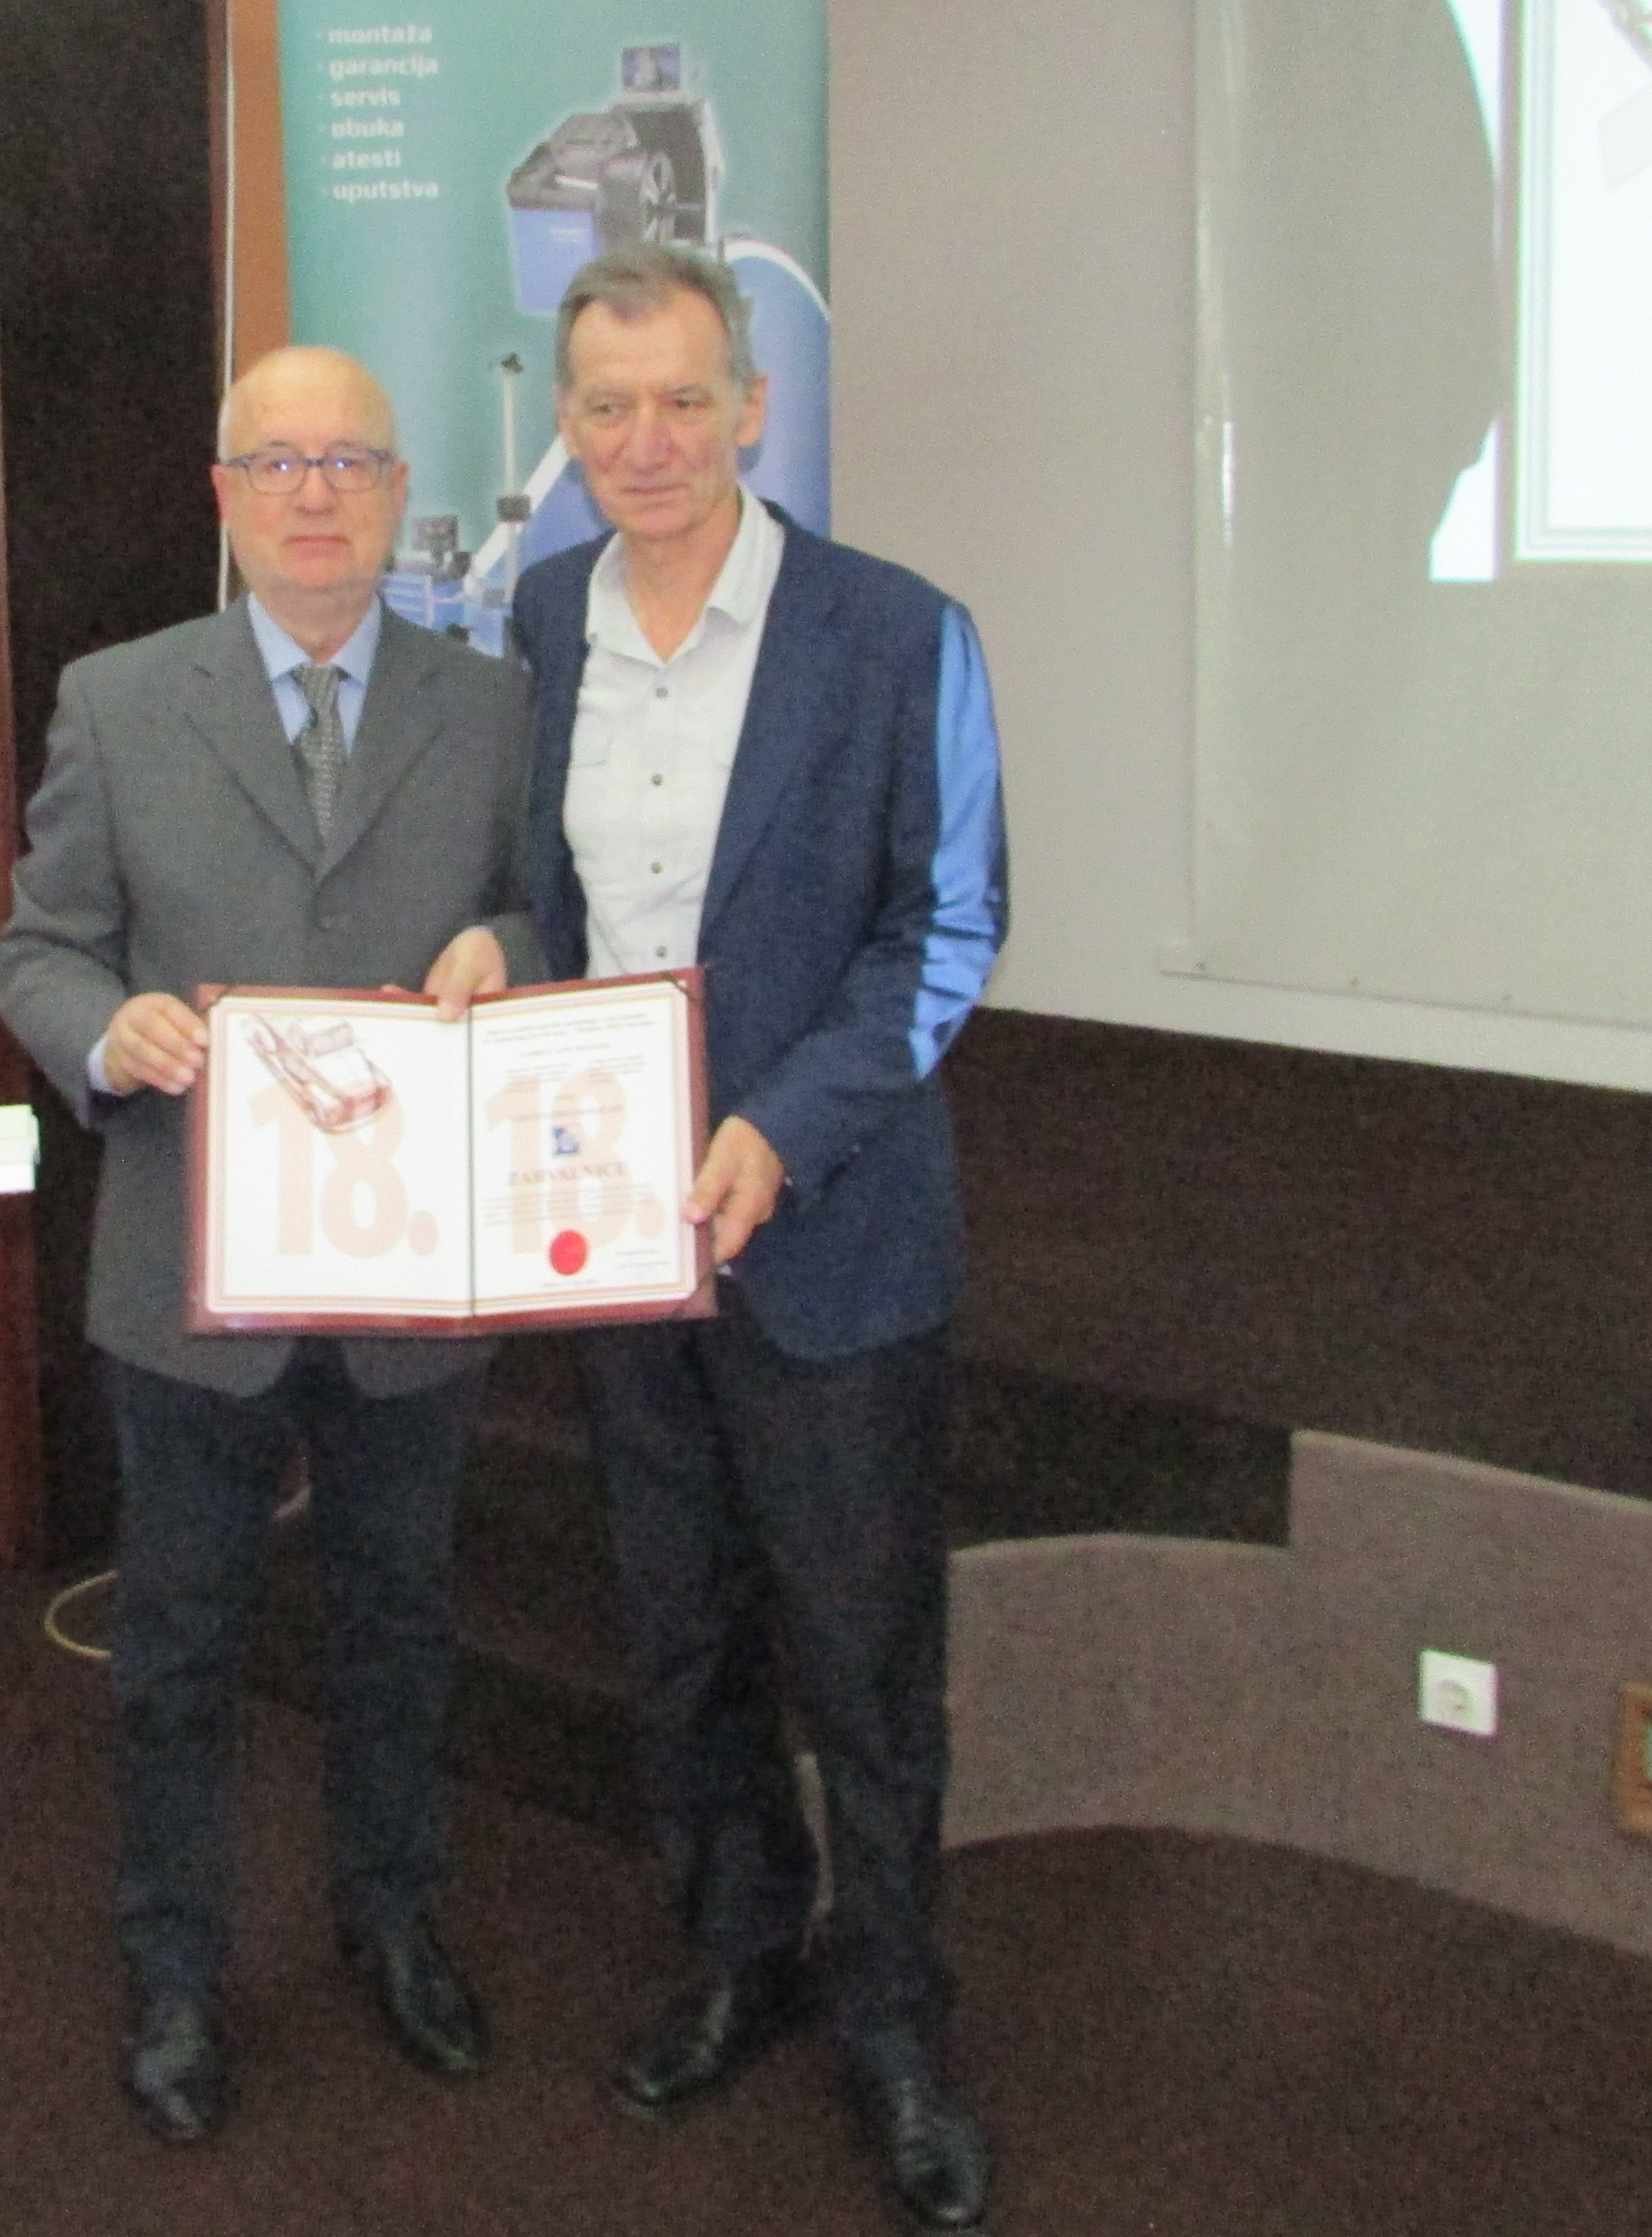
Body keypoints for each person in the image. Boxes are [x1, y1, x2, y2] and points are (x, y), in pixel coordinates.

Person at [512, 242, 1010, 2233]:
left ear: (753, 410)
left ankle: (894, 2020)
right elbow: (538, 897)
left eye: (682, 400)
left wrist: (778, 1134)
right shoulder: (534, 619)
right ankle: (743, 1948)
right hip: (614, 1236)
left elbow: (946, 929)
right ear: (566, 422)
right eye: (606, 405)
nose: (646, 441)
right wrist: (493, 953)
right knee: (683, 1629)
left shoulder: (895, 631)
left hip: (830, 1240)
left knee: (864, 1661)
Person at [0, 346, 537, 2147]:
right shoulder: (118, 699)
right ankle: (174, 1972)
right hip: (191, 1267)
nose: (316, 493)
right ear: (223, 495)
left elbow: (540, 914)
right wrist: (104, 1030)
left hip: (411, 1272)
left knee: (400, 1628)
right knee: (179, 1651)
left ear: (399, 494)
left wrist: (514, 958)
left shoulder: (492, 706)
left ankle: (394, 1920)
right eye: (277, 462)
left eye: (351, 461)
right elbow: (39, 947)